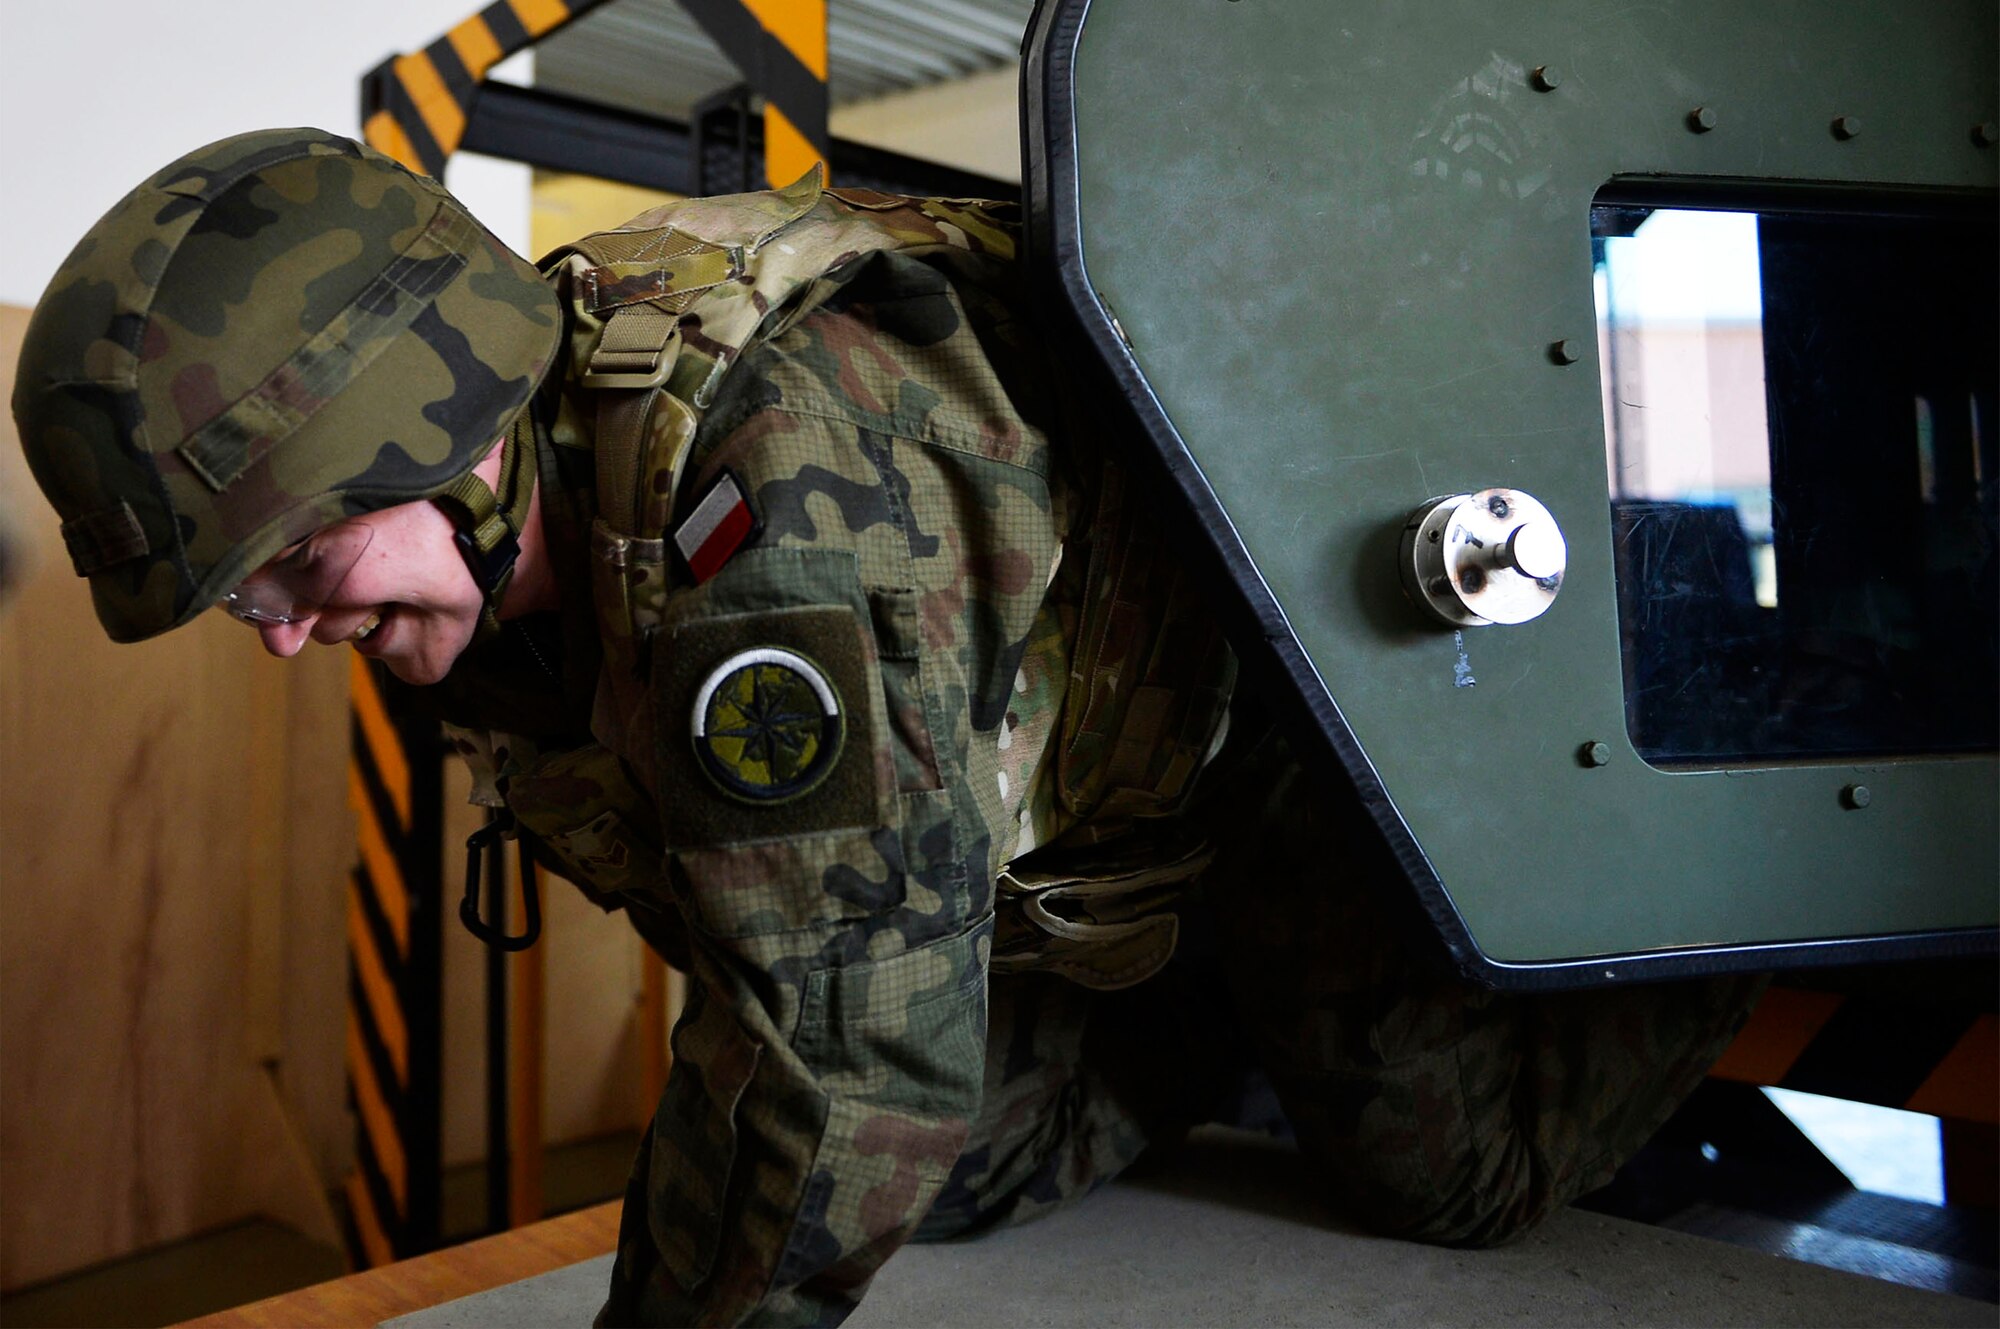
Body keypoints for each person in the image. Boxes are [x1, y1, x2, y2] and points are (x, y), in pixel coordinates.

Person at [13, 128, 1761, 1326]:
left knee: (1440, 1170)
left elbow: (835, 1057)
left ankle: (1713, 901)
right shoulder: (506, 579)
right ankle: (1202, 1012)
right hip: (1091, 840)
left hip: (1316, 758)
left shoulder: (772, 499)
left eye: (295, 562)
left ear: (443, 425)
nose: (289, 633)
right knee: (963, 1172)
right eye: (251, 597)